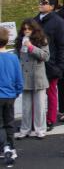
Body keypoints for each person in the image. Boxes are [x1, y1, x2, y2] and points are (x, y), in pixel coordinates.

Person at [34, 0, 64, 131]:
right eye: (40, 1)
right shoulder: (34, 21)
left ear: (52, 6)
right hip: (36, 65)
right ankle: (36, 120)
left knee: (51, 94)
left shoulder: (58, 22)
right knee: (36, 95)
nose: (41, 4)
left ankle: (50, 120)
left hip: (51, 65)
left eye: (44, 2)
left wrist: (59, 67)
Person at [14, 19, 49, 140]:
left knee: (39, 106)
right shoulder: (19, 41)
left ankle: (40, 129)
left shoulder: (41, 40)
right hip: (24, 76)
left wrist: (31, 47)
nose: (27, 31)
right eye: (25, 29)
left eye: (29, 29)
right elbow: (17, 58)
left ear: (34, 30)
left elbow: (45, 56)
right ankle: (25, 129)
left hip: (37, 76)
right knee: (26, 106)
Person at [0, 27, 23, 166]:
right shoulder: (13, 57)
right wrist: (17, 92)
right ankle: (11, 147)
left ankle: (4, 147)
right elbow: (18, 78)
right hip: (10, 95)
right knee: (9, 122)